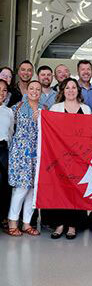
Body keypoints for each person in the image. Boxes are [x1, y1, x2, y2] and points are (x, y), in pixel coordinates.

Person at [50, 78, 91, 239]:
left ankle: (73, 226)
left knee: (76, 191)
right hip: (60, 157)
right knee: (60, 191)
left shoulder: (86, 109)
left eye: (74, 87)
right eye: (67, 88)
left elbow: (91, 133)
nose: (71, 90)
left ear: (78, 91)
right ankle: (60, 225)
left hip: (80, 158)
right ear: (63, 90)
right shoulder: (55, 108)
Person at [7, 80, 43, 236]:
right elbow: (10, 130)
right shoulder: (17, 107)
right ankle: (12, 221)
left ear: (41, 92)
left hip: (37, 154)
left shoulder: (44, 110)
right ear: (26, 90)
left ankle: (27, 223)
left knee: (32, 190)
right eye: (32, 88)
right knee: (21, 188)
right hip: (21, 153)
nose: (34, 91)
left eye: (38, 89)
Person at [0, 80, 14, 229]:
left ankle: (3, 216)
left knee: (5, 184)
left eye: (4, 90)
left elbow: (10, 133)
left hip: (4, 149)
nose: (1, 93)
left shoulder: (8, 111)